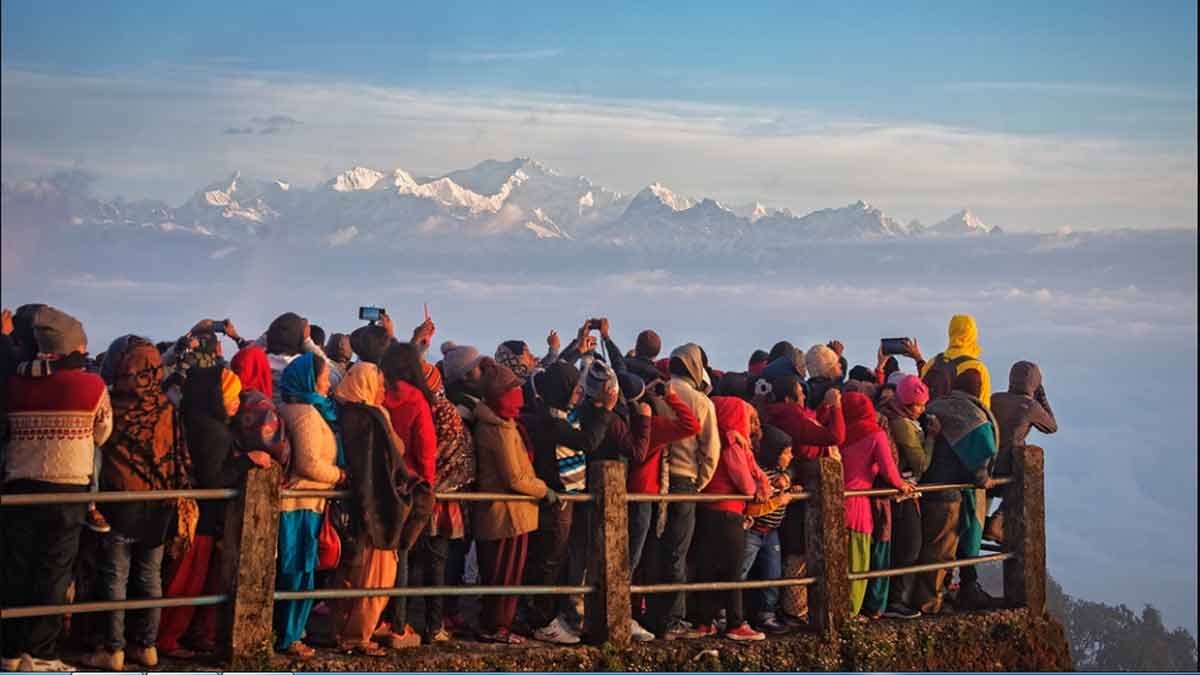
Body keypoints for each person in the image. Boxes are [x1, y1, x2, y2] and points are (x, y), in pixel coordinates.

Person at [2, 306, 111, 672]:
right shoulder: (91, 385)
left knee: (16, 569)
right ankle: (43, 654)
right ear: (70, 348)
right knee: (54, 571)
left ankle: (11, 650)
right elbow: (103, 432)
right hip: (68, 488)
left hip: (18, 484)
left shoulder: (15, 383)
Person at [86, 335, 191, 671]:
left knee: (115, 577)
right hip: (159, 503)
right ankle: (146, 646)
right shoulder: (166, 408)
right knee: (149, 577)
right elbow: (179, 457)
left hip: (119, 504)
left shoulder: (111, 407)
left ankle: (113, 650)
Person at [158, 367, 270, 657]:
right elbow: (214, 478)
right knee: (186, 582)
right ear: (215, 397)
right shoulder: (213, 430)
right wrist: (247, 460)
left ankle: (173, 636)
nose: (237, 403)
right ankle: (167, 639)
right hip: (201, 520)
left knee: (184, 580)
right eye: (230, 397)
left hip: (191, 516)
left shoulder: (195, 418)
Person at [330, 362, 419, 656]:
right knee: (376, 576)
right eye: (379, 384)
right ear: (367, 385)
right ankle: (357, 636)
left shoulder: (342, 413)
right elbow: (391, 459)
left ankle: (343, 630)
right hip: (375, 508)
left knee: (350, 574)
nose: (383, 390)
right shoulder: (372, 418)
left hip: (348, 508)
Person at [522, 361, 611, 645]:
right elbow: (588, 441)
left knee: (556, 559)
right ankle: (542, 622)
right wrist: (607, 411)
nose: (578, 392)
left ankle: (546, 616)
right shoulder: (551, 420)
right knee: (551, 559)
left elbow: (580, 413)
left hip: (567, 497)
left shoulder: (560, 411)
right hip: (557, 499)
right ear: (562, 390)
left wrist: (598, 403)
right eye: (574, 388)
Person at [472, 362, 552, 644]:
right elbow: (514, 478)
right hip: (506, 513)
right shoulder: (498, 429)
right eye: (513, 388)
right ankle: (497, 626)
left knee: (505, 573)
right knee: (504, 574)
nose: (519, 393)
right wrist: (544, 491)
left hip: (509, 513)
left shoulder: (501, 422)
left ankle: (498, 623)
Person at [647, 343, 720, 640]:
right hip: (684, 481)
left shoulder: (655, 392)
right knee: (677, 552)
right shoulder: (701, 402)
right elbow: (711, 452)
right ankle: (673, 619)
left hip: (653, 481)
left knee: (654, 551)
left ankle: (651, 615)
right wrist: (698, 484)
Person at [274, 353, 345, 657]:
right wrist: (340, 475)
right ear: (309, 380)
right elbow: (308, 464)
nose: (328, 382)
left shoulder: (303, 409)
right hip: (300, 506)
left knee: (300, 572)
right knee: (297, 572)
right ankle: (288, 638)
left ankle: (290, 633)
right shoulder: (303, 413)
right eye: (323, 377)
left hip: (307, 503)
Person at [912, 369, 998, 614]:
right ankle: (930, 605)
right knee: (941, 553)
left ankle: (926, 598)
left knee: (925, 549)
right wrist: (984, 479)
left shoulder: (935, 405)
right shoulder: (975, 416)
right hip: (948, 494)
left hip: (922, 489)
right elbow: (985, 453)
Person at [626, 376, 700, 641]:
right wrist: (670, 397)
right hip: (644, 496)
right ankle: (628, 614)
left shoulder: (623, 418)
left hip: (624, 493)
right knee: (635, 558)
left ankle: (630, 611)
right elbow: (692, 425)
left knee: (631, 556)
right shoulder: (653, 425)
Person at [692, 396, 771, 641]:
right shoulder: (732, 444)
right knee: (732, 569)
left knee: (706, 567)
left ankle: (704, 622)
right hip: (729, 511)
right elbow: (747, 486)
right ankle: (735, 623)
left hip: (707, 508)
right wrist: (758, 487)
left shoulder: (712, 439)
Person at [378, 342, 438, 647]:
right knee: (401, 553)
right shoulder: (417, 401)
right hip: (409, 485)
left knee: (378, 553)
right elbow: (426, 449)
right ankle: (398, 624)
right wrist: (426, 484)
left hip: (378, 483)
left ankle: (375, 620)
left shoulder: (376, 396)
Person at [840, 392, 914, 617]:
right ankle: (850, 613)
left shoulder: (838, 432)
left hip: (836, 503)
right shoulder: (874, 433)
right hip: (859, 505)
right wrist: (903, 486)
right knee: (859, 561)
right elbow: (889, 471)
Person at [418, 358, 475, 642]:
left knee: (433, 561)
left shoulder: (426, 409)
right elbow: (453, 454)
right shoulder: (446, 411)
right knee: (438, 560)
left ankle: (433, 621)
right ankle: (434, 624)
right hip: (444, 497)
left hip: (428, 493)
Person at [878, 375, 936, 619]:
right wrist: (932, 437)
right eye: (916, 405)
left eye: (923, 404)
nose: (920, 409)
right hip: (902, 493)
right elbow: (921, 464)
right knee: (910, 546)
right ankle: (895, 601)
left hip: (901, 492)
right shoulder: (902, 424)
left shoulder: (894, 415)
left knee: (903, 546)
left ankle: (894, 598)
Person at [985, 361, 1057, 543]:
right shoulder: (1030, 406)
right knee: (1023, 485)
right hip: (1008, 465)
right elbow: (1051, 426)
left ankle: (978, 529)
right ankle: (997, 521)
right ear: (1034, 383)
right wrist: (1041, 396)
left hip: (985, 463)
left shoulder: (994, 399)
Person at [738, 425, 793, 634]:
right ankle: (728, 613)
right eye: (786, 453)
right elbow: (753, 506)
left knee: (773, 574)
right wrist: (779, 500)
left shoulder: (782, 475)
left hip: (772, 532)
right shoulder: (760, 473)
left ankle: (766, 614)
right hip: (753, 529)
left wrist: (789, 482)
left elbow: (792, 473)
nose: (790, 457)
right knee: (742, 570)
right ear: (775, 451)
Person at [261, 312, 335, 406]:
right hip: (297, 416)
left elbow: (241, 357)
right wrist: (307, 341)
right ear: (300, 338)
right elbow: (332, 374)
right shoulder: (300, 366)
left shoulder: (256, 362)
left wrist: (265, 338)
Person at [921, 315, 992, 409]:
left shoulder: (932, 363)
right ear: (973, 334)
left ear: (950, 332)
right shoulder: (977, 368)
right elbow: (984, 409)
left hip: (931, 421)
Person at [439, 342, 485, 427]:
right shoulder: (461, 408)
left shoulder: (473, 395)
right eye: (478, 366)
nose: (483, 369)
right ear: (465, 375)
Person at [804, 344, 843, 410]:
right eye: (836, 362)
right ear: (829, 368)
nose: (840, 365)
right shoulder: (834, 391)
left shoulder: (806, 388)